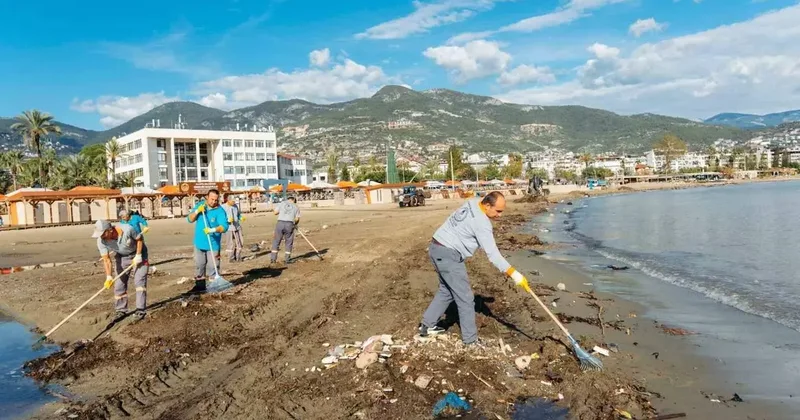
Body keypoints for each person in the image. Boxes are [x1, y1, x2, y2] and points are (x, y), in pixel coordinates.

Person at [418, 191, 530, 346]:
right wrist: (514, 274)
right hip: (449, 254)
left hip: (436, 247)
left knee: (447, 290)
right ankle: (470, 341)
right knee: (465, 299)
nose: (500, 215)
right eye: (498, 211)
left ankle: (427, 326)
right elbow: (493, 255)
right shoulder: (482, 224)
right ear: (487, 205)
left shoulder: (473, 202)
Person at [92, 219, 148, 321]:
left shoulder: (127, 229)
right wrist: (109, 277)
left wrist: (138, 255)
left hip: (139, 254)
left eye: (103, 234)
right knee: (119, 285)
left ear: (110, 230)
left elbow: (139, 239)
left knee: (139, 282)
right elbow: (107, 260)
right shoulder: (101, 241)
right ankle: (121, 310)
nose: (101, 237)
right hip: (121, 257)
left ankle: (140, 309)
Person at [187, 189, 229, 293]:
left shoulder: (220, 211)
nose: (214, 202)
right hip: (199, 243)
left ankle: (213, 287)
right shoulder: (201, 205)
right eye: (211, 199)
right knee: (199, 265)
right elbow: (190, 219)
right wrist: (197, 211)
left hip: (213, 245)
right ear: (207, 197)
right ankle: (199, 287)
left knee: (213, 266)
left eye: (216, 200)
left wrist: (213, 229)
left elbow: (224, 227)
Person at [271, 196, 300, 265]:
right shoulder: (296, 207)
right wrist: (295, 224)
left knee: (276, 241)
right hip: (289, 224)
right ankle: (287, 259)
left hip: (280, 223)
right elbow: (297, 219)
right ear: (294, 200)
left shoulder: (282, 203)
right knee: (289, 241)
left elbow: (275, 213)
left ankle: (273, 259)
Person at [221, 194, 245, 262]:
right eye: (233, 201)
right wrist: (227, 220)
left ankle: (238, 257)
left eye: (235, 201)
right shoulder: (223, 207)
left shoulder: (235, 206)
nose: (234, 202)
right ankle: (231, 258)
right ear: (228, 200)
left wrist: (241, 217)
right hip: (229, 228)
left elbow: (238, 214)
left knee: (240, 242)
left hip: (237, 226)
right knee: (230, 243)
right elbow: (220, 218)